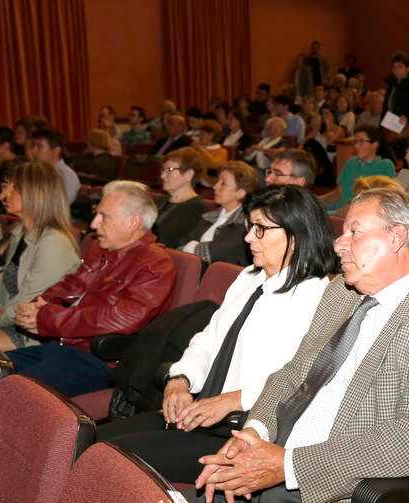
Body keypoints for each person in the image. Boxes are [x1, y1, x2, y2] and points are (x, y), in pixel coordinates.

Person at [190, 187, 409, 503]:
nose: (338, 245)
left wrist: (286, 465)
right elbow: (293, 373)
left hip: (333, 482)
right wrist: (255, 432)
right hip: (277, 451)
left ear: (396, 237)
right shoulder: (341, 293)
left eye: (354, 232)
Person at [98, 185, 338, 483]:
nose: (249, 237)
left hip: (240, 432)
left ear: (296, 234)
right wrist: (180, 380)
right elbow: (208, 339)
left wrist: (232, 400)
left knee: (106, 457)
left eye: (261, 229)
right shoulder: (249, 277)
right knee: (90, 438)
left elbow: (299, 382)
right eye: (250, 226)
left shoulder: (317, 298)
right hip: (199, 412)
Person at [7, 181, 177, 397]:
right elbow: (70, 285)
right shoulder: (101, 248)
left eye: (104, 217)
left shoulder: (155, 264)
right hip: (63, 345)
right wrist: (39, 306)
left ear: (133, 222)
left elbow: (122, 319)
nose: (94, 224)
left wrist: (48, 319)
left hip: (100, 360)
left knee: (13, 392)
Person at [0, 162, 80, 352]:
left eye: (12, 188)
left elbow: (24, 306)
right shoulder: (21, 230)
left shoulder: (54, 243)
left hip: (32, 336)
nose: (3, 195)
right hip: (9, 322)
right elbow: (9, 283)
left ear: (32, 194)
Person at [181, 161, 258, 266]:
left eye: (223, 184)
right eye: (217, 181)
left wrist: (191, 247)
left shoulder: (245, 224)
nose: (215, 187)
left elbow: (214, 253)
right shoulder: (209, 217)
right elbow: (180, 246)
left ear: (240, 192)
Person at [319, 125, 395, 211]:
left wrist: (344, 210)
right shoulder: (351, 162)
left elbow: (383, 198)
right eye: (355, 141)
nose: (356, 146)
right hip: (339, 207)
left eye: (361, 141)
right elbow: (339, 192)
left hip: (359, 211)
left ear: (374, 145)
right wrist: (317, 200)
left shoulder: (385, 165)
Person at [154, 147, 208, 249]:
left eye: (170, 170)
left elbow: (170, 245)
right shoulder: (159, 201)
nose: (162, 176)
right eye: (163, 170)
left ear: (189, 175)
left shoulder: (196, 210)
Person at [29, 126, 80, 204]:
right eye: (33, 146)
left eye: (39, 147)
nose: (33, 151)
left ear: (56, 151)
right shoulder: (36, 172)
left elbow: (61, 206)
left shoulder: (67, 175)